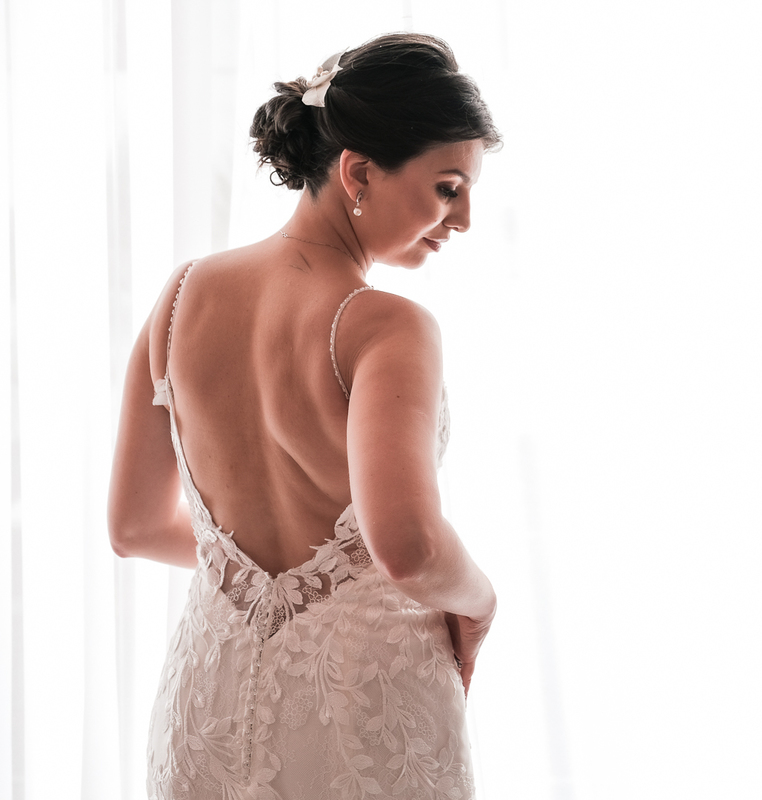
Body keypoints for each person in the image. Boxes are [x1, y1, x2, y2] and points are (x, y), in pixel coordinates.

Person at [107, 33, 499, 799]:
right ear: (359, 171)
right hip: (361, 704)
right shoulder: (386, 326)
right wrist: (481, 602)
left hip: (208, 704)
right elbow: (409, 546)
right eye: (448, 187)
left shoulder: (180, 299)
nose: (463, 219)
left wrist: (256, 582)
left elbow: (133, 527)